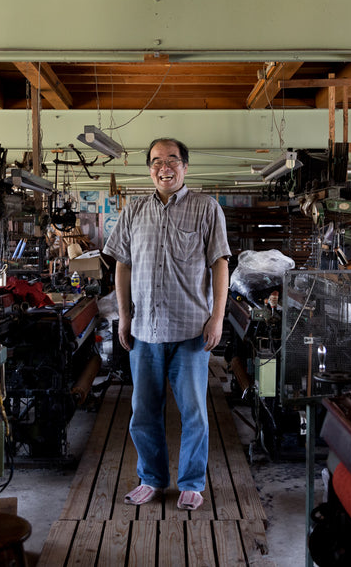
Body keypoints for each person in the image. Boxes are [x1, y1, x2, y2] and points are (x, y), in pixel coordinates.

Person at [103, 138, 230, 511]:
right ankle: (152, 479)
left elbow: (220, 264)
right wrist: (124, 316)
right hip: (144, 332)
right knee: (143, 412)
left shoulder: (206, 209)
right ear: (150, 169)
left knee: (194, 413)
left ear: (185, 167)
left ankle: (191, 483)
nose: (165, 167)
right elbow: (122, 264)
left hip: (192, 331)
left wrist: (217, 317)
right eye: (157, 161)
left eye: (172, 159)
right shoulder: (134, 211)